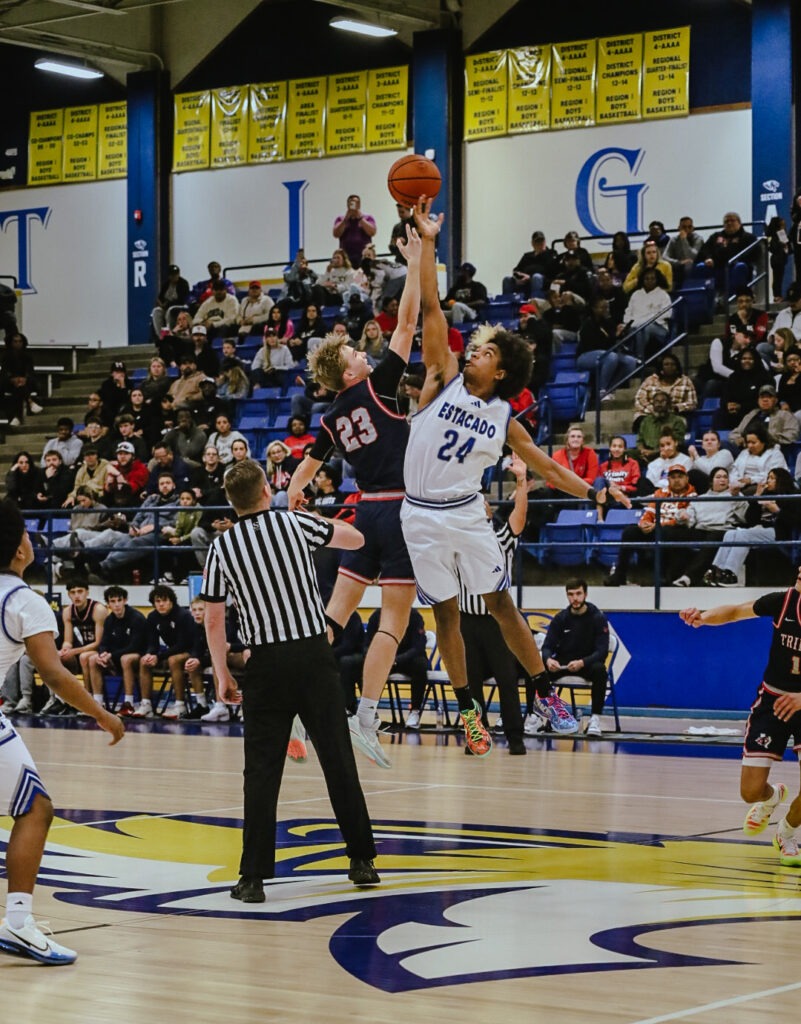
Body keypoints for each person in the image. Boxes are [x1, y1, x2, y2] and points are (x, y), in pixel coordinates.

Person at [399, 198, 628, 756]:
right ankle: (471, 711)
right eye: (473, 347)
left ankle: (545, 691)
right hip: (419, 515)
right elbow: (431, 306)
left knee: (500, 603)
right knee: (445, 614)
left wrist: (596, 489)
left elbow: (549, 468)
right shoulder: (440, 377)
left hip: (466, 513)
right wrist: (428, 241)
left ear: (500, 371)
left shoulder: (506, 418)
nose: (472, 352)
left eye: (484, 351)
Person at [202, 458, 379, 901]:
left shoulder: (221, 548)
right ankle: (361, 860)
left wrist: (223, 672)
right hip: (313, 655)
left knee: (261, 771)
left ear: (231, 501)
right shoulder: (294, 524)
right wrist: (311, 514)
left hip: (264, 663)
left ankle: (253, 878)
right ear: (267, 490)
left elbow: (213, 619)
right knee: (338, 758)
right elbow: (357, 539)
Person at [286, 224, 422, 769]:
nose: (366, 354)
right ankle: (365, 720)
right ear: (348, 371)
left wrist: (294, 493)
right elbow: (407, 321)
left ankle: (299, 711)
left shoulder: (331, 415)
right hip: (400, 511)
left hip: (363, 512)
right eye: (356, 354)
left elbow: (309, 465)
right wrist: (415, 266)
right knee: (392, 622)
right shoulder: (380, 383)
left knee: (332, 617)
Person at [0, 500, 123, 964]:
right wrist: (103, 714)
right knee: (36, 809)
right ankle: (18, 923)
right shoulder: (24, 601)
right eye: (27, 535)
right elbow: (54, 675)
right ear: (18, 550)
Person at [680, 566, 801, 865]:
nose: (798, 575)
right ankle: (772, 797)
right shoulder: (783, 601)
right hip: (773, 700)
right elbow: (735, 611)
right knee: (750, 792)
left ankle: (786, 834)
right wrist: (704, 618)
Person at [460, 453, 531, 753]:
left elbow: (520, 517)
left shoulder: (501, 536)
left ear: (487, 511)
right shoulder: (458, 540)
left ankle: (515, 738)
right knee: (469, 685)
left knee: (507, 680)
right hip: (466, 619)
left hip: (498, 621)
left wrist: (521, 480)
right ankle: (476, 737)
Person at [705, 467, 801, 586]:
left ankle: (731, 573)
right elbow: (750, 520)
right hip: (761, 529)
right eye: (768, 478)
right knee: (731, 533)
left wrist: (777, 511)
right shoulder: (765, 494)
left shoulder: (792, 496)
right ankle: (717, 570)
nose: (768, 481)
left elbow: (796, 521)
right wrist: (756, 497)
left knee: (743, 535)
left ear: (781, 480)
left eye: (772, 478)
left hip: (780, 532)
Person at [605, 464, 697, 586]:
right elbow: (650, 511)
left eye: (680, 477)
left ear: (686, 479)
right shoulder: (660, 493)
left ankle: (663, 577)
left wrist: (658, 526)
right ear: (668, 479)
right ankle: (619, 575)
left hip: (678, 530)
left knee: (666, 533)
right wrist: (644, 523)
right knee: (630, 532)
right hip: (657, 528)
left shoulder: (692, 495)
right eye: (673, 477)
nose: (676, 480)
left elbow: (685, 520)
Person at [541, 579, 611, 736]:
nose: (575, 598)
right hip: (564, 664)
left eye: (578, 594)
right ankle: (541, 716)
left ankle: (594, 719)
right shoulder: (560, 618)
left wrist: (583, 662)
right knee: (539, 671)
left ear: (585, 594)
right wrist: (548, 660)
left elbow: (602, 651)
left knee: (600, 670)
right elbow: (547, 647)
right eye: (571, 594)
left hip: (586, 664)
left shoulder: (597, 617)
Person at [673, 466, 746, 587]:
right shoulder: (700, 499)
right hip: (701, 529)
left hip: (721, 530)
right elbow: (689, 517)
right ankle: (670, 576)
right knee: (673, 534)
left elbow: (745, 517)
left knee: (712, 539)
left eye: (725, 477)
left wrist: (737, 497)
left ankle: (689, 577)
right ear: (711, 481)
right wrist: (682, 516)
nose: (722, 480)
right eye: (718, 477)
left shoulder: (735, 495)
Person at [84, 586, 147, 715]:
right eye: (113, 601)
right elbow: (103, 643)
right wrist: (102, 654)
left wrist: (111, 655)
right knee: (93, 659)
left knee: (126, 659)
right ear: (108, 604)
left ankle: (129, 703)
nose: (117, 604)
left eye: (119, 600)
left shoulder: (136, 618)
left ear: (125, 600)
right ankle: (97, 703)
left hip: (137, 658)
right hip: (115, 658)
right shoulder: (109, 620)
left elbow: (135, 646)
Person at [135, 585, 194, 720]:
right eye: (157, 601)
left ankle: (180, 705)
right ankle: (146, 704)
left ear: (171, 601)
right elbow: (152, 642)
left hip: (189, 651)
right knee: (144, 661)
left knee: (174, 660)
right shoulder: (152, 617)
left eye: (164, 600)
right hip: (168, 652)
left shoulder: (183, 615)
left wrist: (159, 656)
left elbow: (182, 644)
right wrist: (150, 654)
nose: (161, 604)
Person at [728, 384, 801, 448]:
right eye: (762, 397)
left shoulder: (785, 415)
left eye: (769, 397)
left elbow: (791, 436)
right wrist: (738, 439)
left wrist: (768, 438)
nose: (765, 400)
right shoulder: (751, 414)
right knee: (724, 445)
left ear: (775, 400)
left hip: (771, 449)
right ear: (758, 400)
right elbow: (734, 433)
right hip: (746, 448)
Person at [332, 194, 376, 269]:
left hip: (363, 256)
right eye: (351, 203)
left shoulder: (368, 218)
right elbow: (336, 234)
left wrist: (360, 218)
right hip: (346, 258)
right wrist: (345, 219)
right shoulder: (341, 219)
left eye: (356, 203)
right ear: (347, 205)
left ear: (359, 205)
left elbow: (372, 232)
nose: (354, 205)